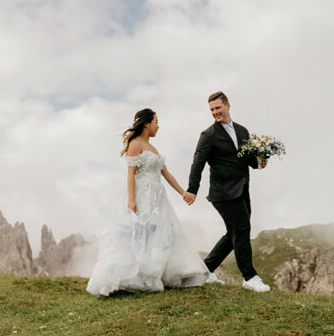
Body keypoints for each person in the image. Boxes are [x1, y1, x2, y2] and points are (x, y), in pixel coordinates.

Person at [86, 108, 208, 297]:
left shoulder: (154, 149)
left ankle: (152, 275)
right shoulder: (136, 144)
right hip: (142, 195)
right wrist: (132, 200)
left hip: (158, 198)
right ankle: (132, 277)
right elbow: (131, 174)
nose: (158, 126)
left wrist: (183, 192)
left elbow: (166, 174)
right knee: (138, 232)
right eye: (156, 122)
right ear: (146, 124)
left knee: (157, 234)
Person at [183, 91, 272, 292]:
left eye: (218, 108)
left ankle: (206, 271)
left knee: (233, 233)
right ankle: (249, 277)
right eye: (212, 109)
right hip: (222, 193)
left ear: (228, 105)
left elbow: (250, 161)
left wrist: (261, 162)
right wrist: (192, 189)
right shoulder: (208, 135)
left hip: (242, 190)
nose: (215, 112)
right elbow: (198, 163)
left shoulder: (242, 131)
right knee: (241, 230)